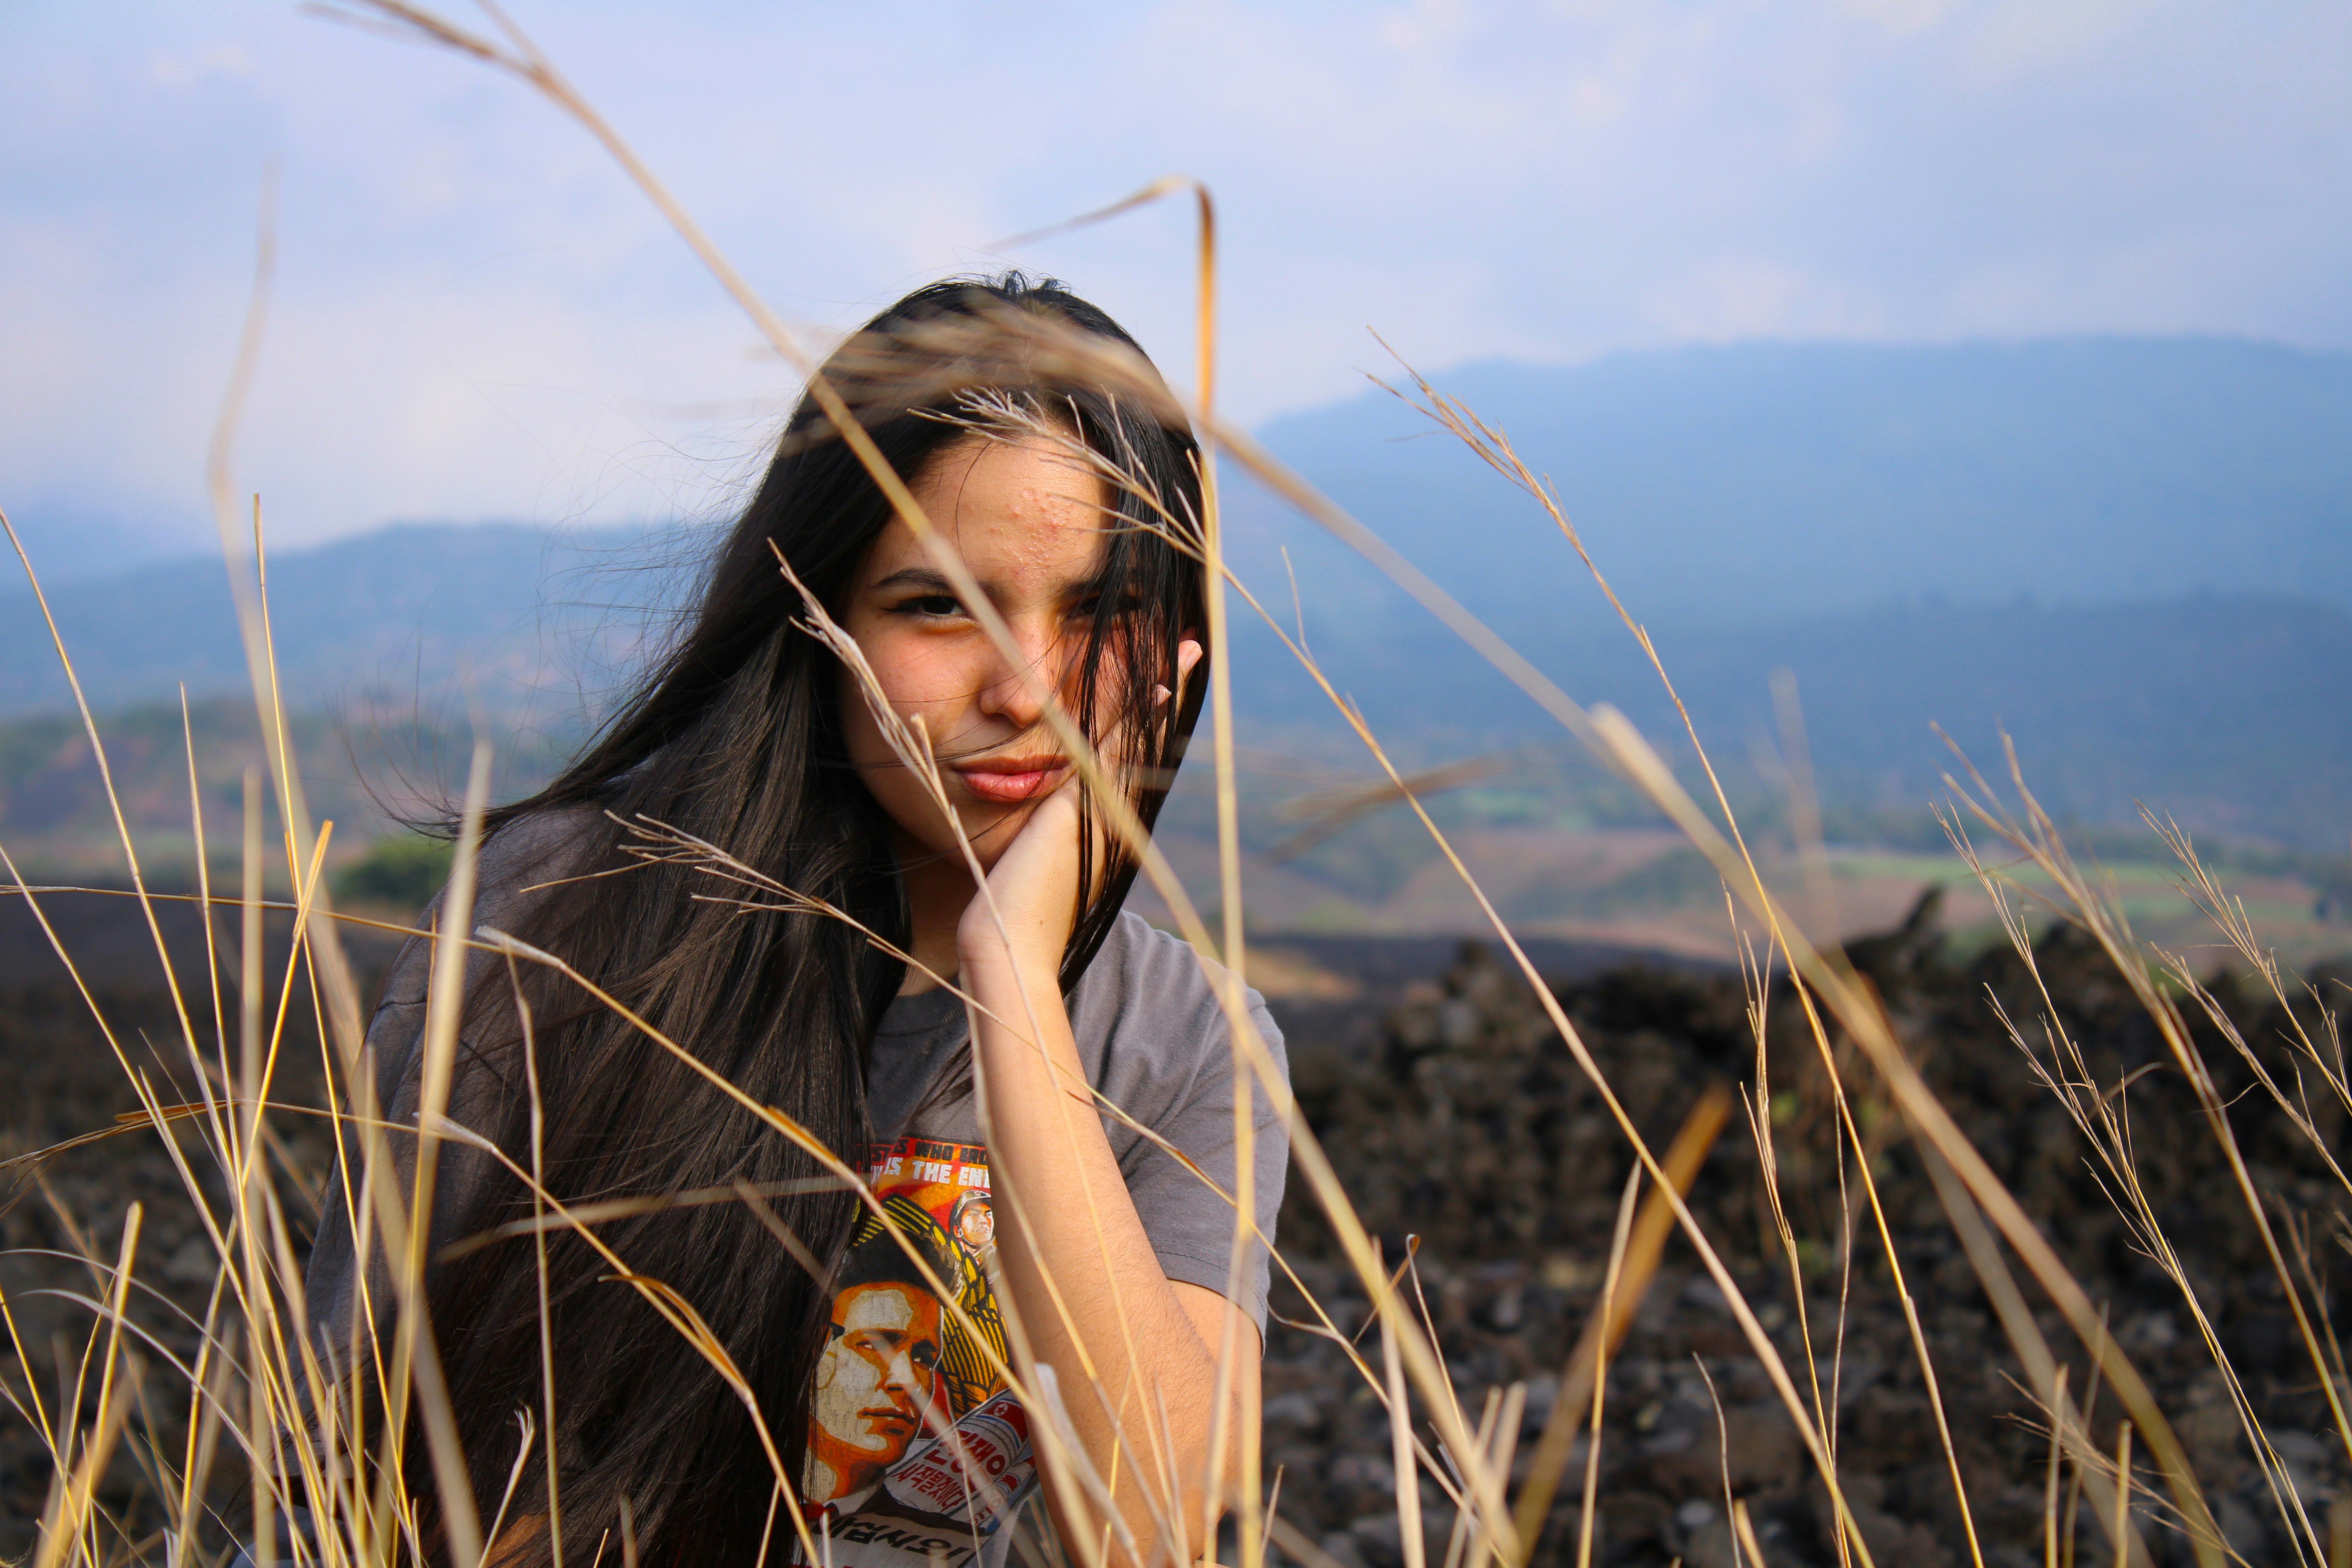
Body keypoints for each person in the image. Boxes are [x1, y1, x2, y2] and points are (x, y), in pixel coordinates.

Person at [300, 272, 1290, 1568]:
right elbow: (346, 1454)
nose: (1026, 690)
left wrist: (1015, 982)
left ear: (1176, 648)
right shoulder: (559, 915)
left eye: (1101, 612)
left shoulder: (1186, 1042)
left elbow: (1165, 1525)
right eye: (939, 604)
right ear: (814, 620)